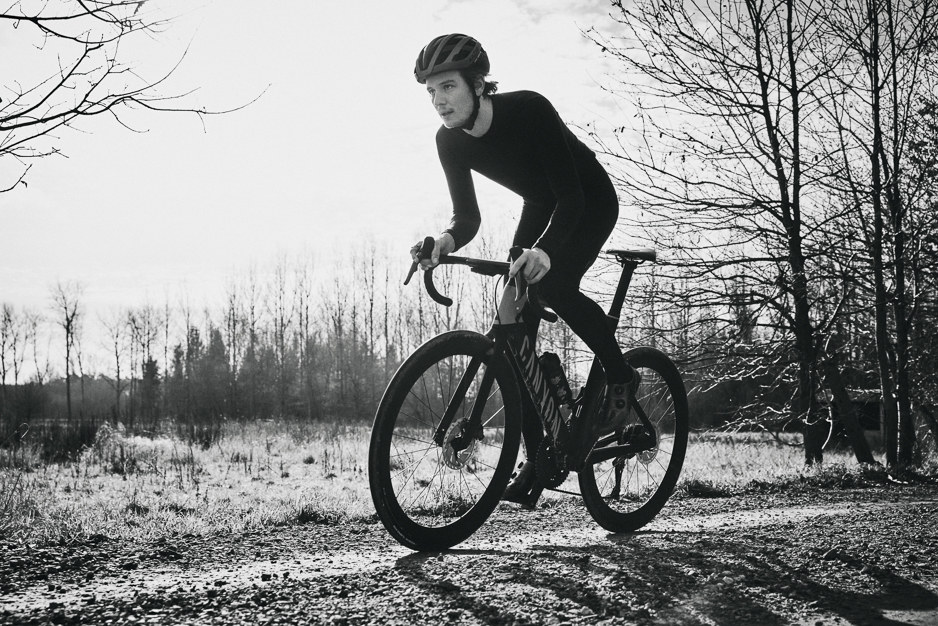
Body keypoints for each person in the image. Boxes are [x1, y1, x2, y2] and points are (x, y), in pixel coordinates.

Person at [411, 33, 637, 505]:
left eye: (448, 87)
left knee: (550, 283)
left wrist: (548, 251)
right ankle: (540, 457)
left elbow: (572, 198)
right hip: (541, 205)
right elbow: (467, 218)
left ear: (476, 85)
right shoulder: (449, 141)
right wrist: (444, 242)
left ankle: (621, 374)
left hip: (588, 200)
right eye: (431, 92)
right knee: (515, 329)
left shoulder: (530, 109)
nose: (438, 101)